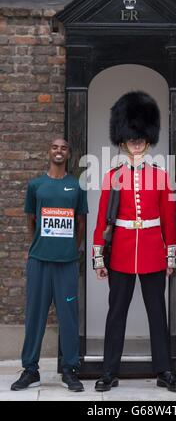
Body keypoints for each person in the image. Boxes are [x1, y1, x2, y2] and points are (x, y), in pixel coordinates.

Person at [92, 91, 176, 392]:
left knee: (157, 312)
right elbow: (101, 220)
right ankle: (109, 371)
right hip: (120, 252)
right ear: (123, 140)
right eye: (131, 138)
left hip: (152, 253)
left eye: (141, 138)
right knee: (116, 312)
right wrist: (98, 257)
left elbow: (168, 220)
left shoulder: (161, 176)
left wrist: (170, 255)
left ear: (147, 140)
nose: (136, 142)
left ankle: (164, 371)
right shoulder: (111, 176)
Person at [11, 138, 88, 392]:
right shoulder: (36, 185)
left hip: (66, 263)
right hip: (39, 261)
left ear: (69, 154)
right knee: (35, 316)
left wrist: (71, 250)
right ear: (49, 152)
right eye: (55, 147)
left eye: (64, 147)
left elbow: (80, 225)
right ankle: (30, 370)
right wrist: (39, 245)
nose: (59, 151)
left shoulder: (76, 186)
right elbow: (31, 219)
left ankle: (70, 370)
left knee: (68, 318)